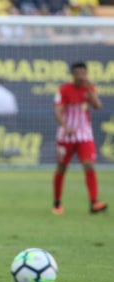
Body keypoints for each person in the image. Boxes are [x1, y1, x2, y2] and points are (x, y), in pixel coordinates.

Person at [52, 62, 106, 215]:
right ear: (73, 74)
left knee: (89, 165)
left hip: (84, 135)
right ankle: (57, 203)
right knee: (62, 168)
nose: (81, 76)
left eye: (83, 73)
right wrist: (65, 126)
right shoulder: (64, 90)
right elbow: (58, 112)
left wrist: (89, 90)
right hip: (66, 135)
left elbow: (97, 106)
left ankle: (94, 203)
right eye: (78, 73)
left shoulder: (89, 88)